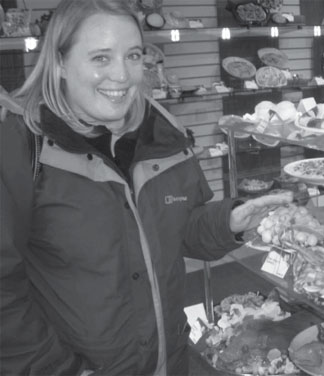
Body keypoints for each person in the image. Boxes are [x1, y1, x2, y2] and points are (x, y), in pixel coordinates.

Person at [0, 0, 292, 375]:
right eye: (101, 58)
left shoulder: (162, 131)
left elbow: (181, 228)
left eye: (133, 55)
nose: (122, 75)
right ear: (59, 62)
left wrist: (230, 221)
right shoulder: (22, 145)